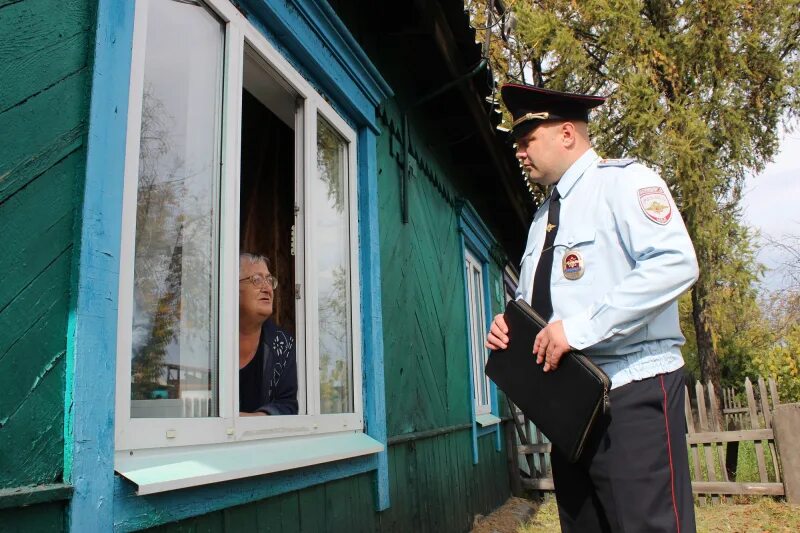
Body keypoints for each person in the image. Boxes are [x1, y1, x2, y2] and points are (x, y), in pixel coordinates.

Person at [485, 83, 699, 532]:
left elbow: (676, 263)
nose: (520, 154)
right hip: (569, 407)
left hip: (631, 394)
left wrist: (577, 330)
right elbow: (537, 303)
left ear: (566, 134)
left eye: (527, 142)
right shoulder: (542, 219)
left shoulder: (624, 183)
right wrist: (510, 327)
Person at [239, 252, 298, 416]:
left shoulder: (284, 345)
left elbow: (289, 405)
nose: (267, 288)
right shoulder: (212, 339)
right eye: (257, 280)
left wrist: (257, 418)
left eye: (269, 280)